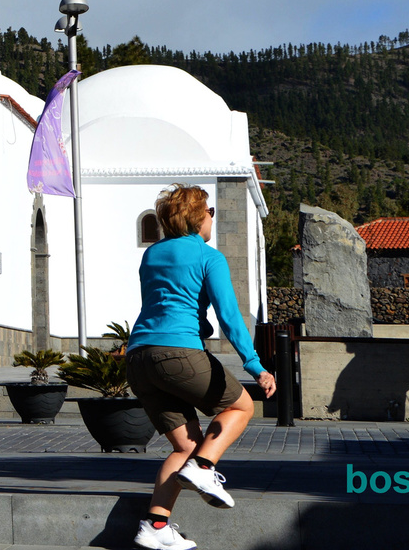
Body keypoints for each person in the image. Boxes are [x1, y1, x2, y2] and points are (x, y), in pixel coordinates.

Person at [124, 186, 277, 550]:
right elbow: (230, 317)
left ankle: (156, 525)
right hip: (177, 353)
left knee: (185, 445)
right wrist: (256, 366)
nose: (213, 217)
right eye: (210, 211)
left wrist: (199, 324)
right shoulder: (209, 257)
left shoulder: (152, 255)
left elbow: (168, 303)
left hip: (139, 358)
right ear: (197, 216)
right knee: (241, 406)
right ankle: (205, 469)